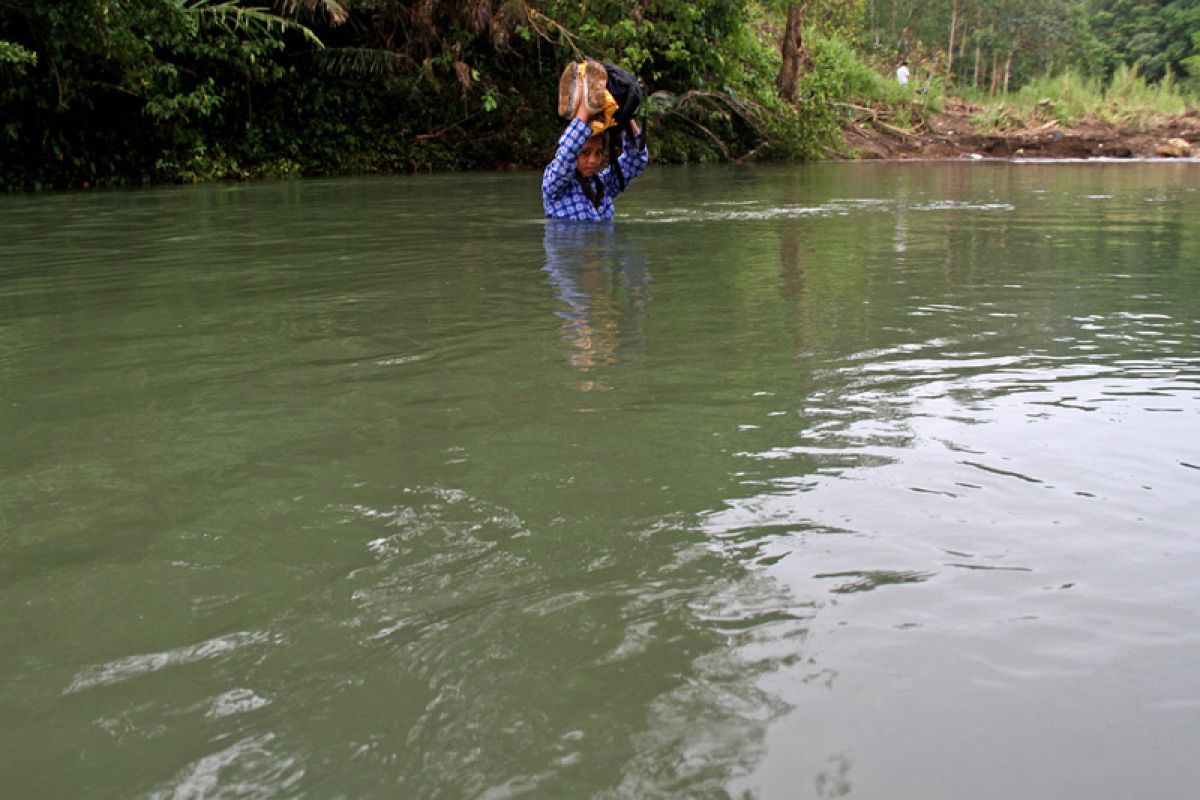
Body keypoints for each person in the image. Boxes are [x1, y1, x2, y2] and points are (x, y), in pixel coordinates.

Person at [542, 75, 648, 221]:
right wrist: (586, 107)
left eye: (598, 153)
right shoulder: (555, 186)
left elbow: (636, 160)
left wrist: (625, 114)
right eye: (585, 153)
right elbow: (567, 154)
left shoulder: (604, 185)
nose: (592, 160)